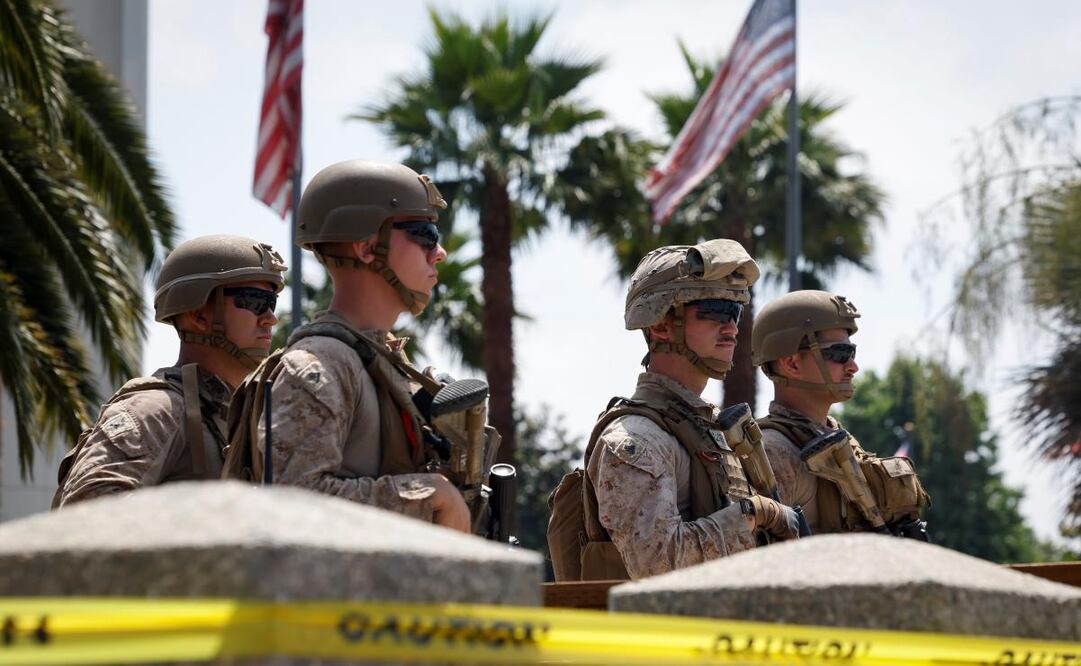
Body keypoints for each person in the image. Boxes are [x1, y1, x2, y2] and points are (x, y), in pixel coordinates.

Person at [223, 160, 475, 533]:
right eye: (425, 234)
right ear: (368, 247)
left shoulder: (382, 363)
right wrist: (432, 497)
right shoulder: (317, 367)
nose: (439, 253)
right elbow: (294, 502)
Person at [552, 239, 801, 581]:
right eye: (715, 311)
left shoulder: (710, 429)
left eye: (736, 312)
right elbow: (657, 563)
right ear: (661, 325)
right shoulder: (635, 440)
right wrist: (753, 513)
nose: (731, 328)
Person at [54, 235, 286, 507]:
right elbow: (84, 512)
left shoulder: (241, 415)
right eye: (255, 301)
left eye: (272, 302)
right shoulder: (156, 410)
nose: (271, 317)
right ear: (197, 315)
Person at [752, 290, 930, 538]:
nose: (853, 366)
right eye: (838, 354)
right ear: (791, 363)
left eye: (852, 352)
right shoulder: (774, 451)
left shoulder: (839, 441)